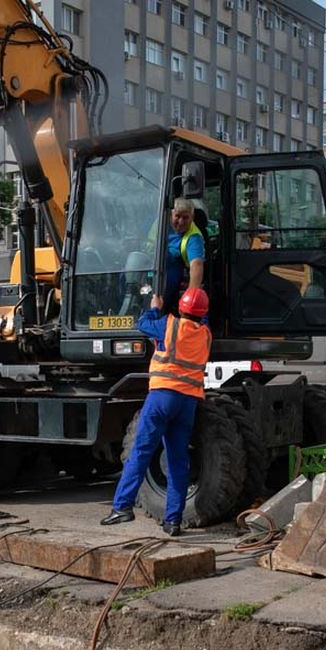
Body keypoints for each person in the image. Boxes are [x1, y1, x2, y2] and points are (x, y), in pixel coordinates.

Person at [100, 288, 212, 536]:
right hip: (188, 403)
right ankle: (172, 521)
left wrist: (155, 306)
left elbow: (143, 323)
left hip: (162, 397)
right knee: (177, 461)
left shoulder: (168, 325)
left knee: (140, 451)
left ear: (181, 309)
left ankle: (122, 507)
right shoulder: (205, 334)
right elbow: (200, 316)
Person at [163, 198, 206, 313]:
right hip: (152, 264)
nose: (181, 222)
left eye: (186, 217)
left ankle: (161, 310)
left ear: (192, 218)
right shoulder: (160, 224)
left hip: (176, 269)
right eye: (178, 216)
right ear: (171, 214)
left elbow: (196, 265)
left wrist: (190, 301)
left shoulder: (194, 237)